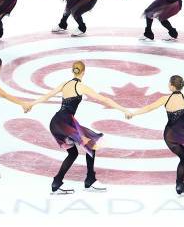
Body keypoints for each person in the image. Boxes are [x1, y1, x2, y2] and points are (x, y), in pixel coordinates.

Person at [27, 61, 130, 194]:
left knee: (73, 153)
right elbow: (104, 99)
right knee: (91, 144)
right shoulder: (80, 86)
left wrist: (31, 104)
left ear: (72, 71)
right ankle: (90, 180)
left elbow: (47, 96)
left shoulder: (65, 84)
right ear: (83, 72)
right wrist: (124, 110)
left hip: (55, 122)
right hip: (65, 123)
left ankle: (57, 182)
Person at [127, 75, 184, 195]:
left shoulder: (165, 99)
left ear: (172, 86)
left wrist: (133, 113)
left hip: (170, 135)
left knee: (183, 158)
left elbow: (149, 107)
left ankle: (180, 186)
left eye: (169, 83)